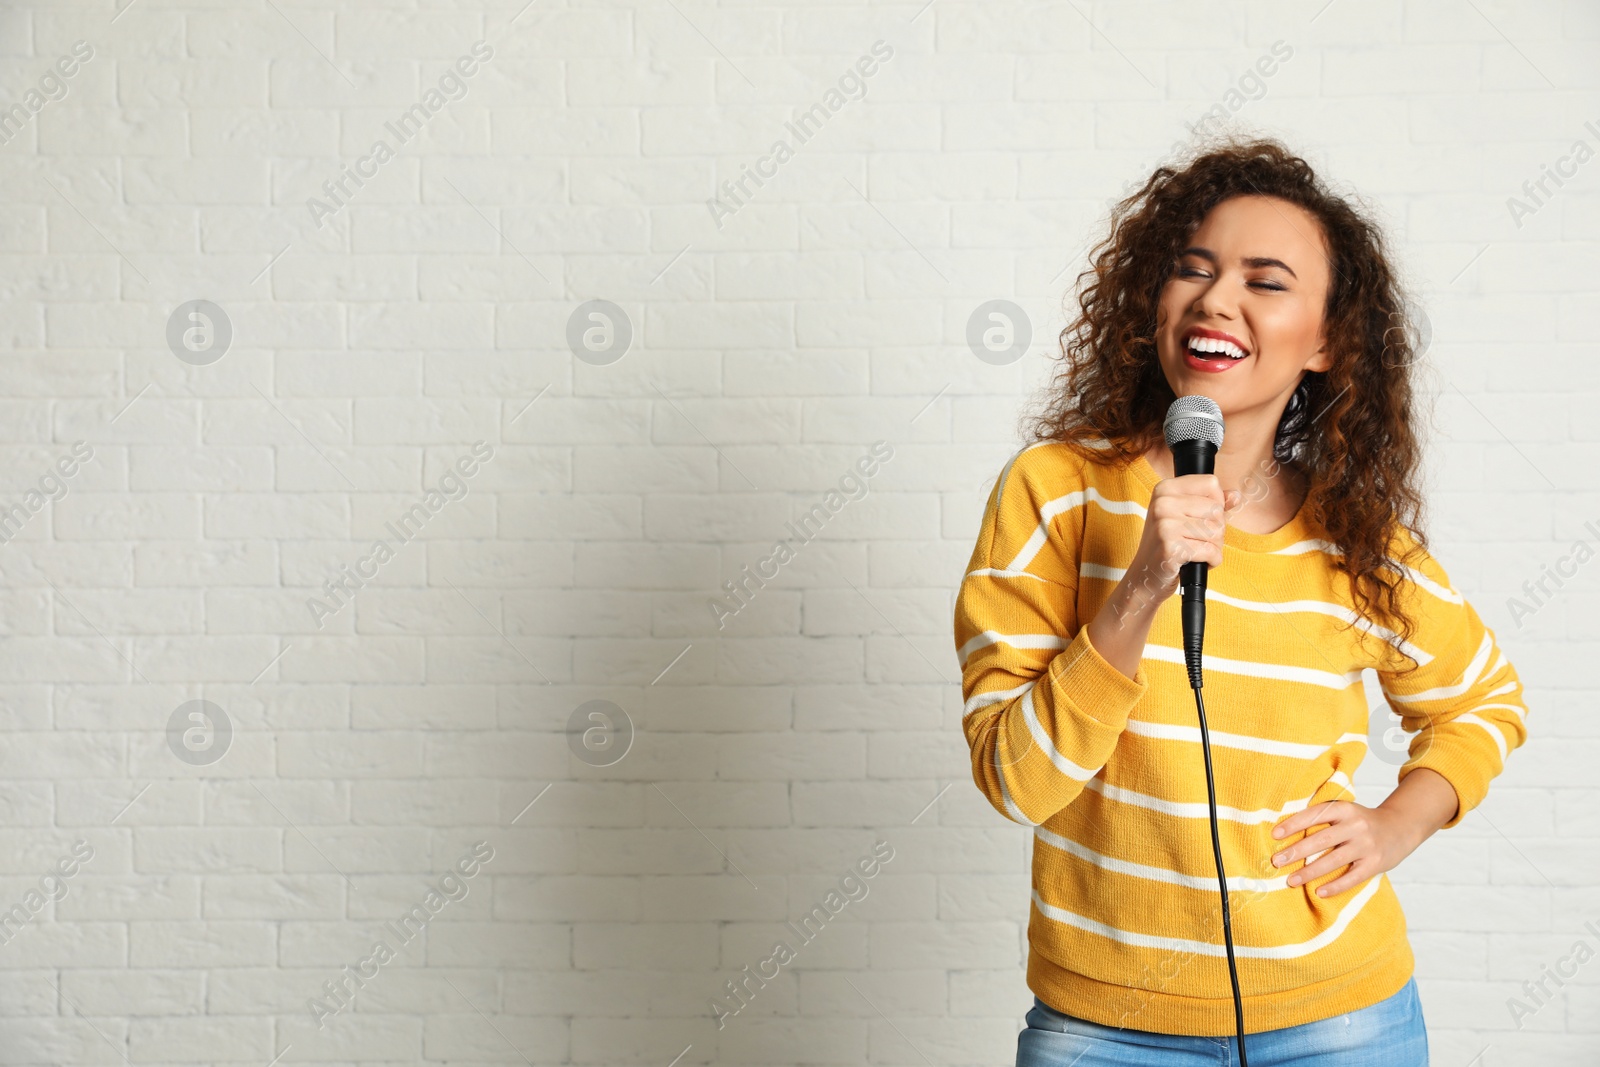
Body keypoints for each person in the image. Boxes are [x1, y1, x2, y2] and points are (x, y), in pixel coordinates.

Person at [953, 137, 1529, 1066]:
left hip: (1347, 1020)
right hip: (1106, 1033)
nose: (1217, 298)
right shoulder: (1053, 491)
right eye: (1193, 269)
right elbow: (1017, 779)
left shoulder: (1359, 542)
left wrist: (1395, 823)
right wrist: (1142, 583)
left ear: (1328, 341)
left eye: (1266, 281)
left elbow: (1486, 701)